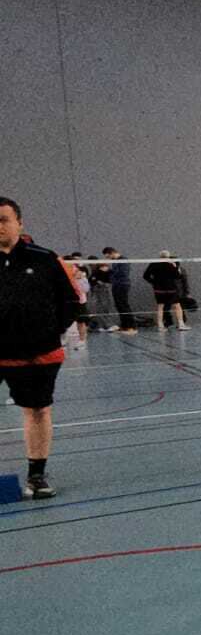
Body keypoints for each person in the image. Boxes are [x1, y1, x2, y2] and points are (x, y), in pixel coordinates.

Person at [0, 197, 79, 499]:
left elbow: (71, 301)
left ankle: (36, 475)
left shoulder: (45, 259)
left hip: (38, 354)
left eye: (4, 220)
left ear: (19, 223)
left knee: (37, 410)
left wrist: (48, 332)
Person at [143, 250, 189, 331]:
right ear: (168, 256)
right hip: (171, 289)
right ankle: (181, 325)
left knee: (160, 307)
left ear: (159, 256)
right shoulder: (171, 264)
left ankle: (160, 326)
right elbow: (178, 276)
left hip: (159, 290)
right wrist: (175, 267)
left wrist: (154, 282)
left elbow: (145, 276)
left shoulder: (153, 264)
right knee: (177, 306)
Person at [103, 247, 136, 334]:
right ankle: (124, 326)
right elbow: (114, 273)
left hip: (122, 285)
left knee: (123, 305)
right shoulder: (115, 261)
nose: (108, 259)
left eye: (108, 256)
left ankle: (131, 327)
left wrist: (109, 270)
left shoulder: (123, 260)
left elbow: (123, 273)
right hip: (116, 285)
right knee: (119, 305)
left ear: (112, 253)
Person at [62, 253, 90, 350]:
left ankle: (82, 341)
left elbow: (86, 289)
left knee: (81, 321)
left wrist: (80, 279)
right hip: (66, 301)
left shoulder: (79, 273)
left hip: (79, 301)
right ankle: (63, 341)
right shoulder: (60, 273)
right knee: (63, 321)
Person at [86, 254, 115, 331]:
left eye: (91, 263)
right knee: (95, 308)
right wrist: (95, 281)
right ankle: (99, 325)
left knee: (104, 307)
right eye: (90, 264)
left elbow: (111, 275)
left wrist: (103, 282)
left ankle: (107, 325)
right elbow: (91, 279)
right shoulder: (94, 270)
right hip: (95, 290)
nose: (91, 265)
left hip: (102, 289)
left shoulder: (102, 267)